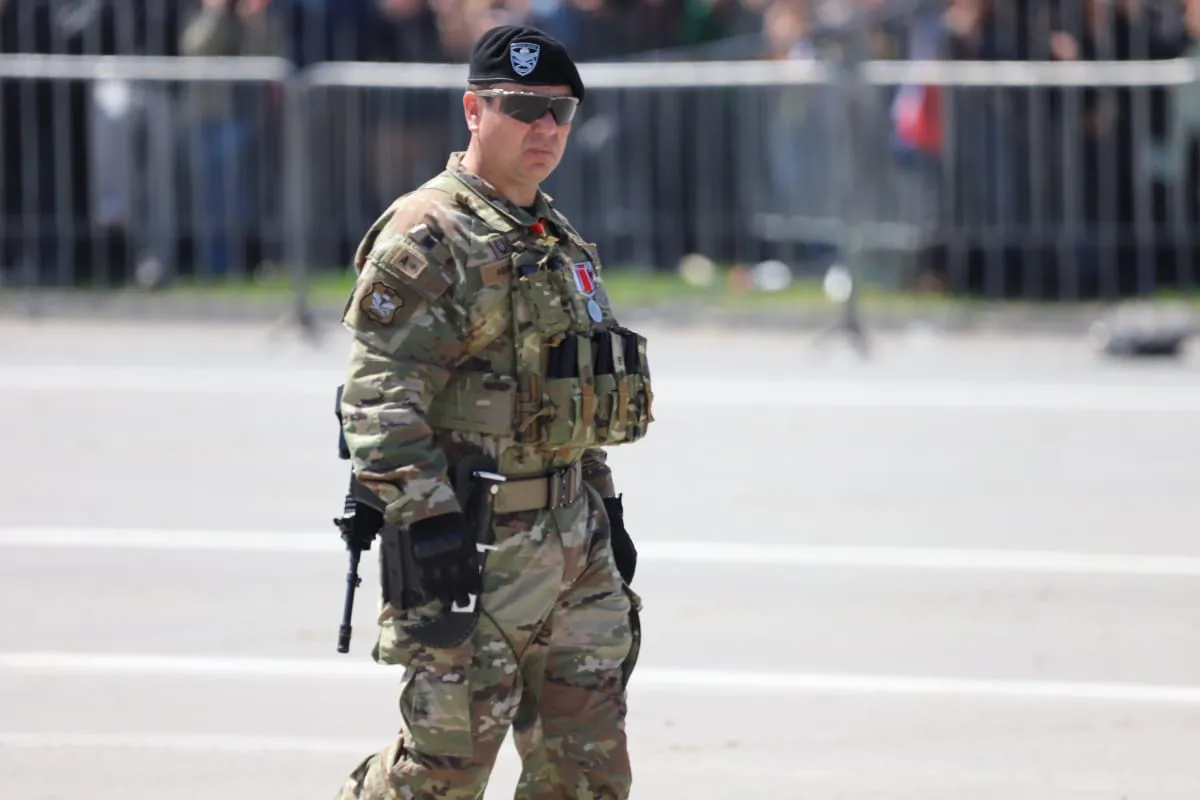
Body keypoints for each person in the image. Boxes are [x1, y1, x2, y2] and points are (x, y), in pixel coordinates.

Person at [332, 24, 654, 800]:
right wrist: (426, 518)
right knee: (440, 776)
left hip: (573, 547)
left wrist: (605, 506)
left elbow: (573, 388)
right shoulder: (429, 232)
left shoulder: (557, 239)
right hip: (473, 547)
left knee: (586, 771)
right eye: (524, 107)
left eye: (560, 113)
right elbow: (377, 393)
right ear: (475, 109)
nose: (545, 128)